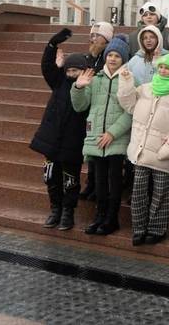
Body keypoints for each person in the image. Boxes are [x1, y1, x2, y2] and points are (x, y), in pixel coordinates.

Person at [118, 50, 169, 246]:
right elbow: (128, 104)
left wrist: (167, 151)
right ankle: (139, 229)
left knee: (161, 194)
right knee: (139, 192)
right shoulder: (146, 88)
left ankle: (157, 230)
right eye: (162, 67)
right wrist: (125, 82)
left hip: (163, 154)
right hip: (141, 151)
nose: (164, 71)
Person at [71, 35, 133, 236]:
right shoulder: (95, 78)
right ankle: (99, 216)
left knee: (114, 182)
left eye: (117, 56)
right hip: (96, 137)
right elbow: (80, 106)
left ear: (123, 58)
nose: (113, 59)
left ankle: (111, 219)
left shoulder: (129, 78)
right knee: (99, 181)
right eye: (110, 55)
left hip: (115, 138)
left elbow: (131, 111)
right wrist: (78, 87)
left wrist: (112, 133)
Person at [30, 28, 88, 232]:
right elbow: (47, 67)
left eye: (76, 71)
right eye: (69, 70)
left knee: (71, 180)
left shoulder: (86, 88)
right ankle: (55, 209)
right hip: (51, 139)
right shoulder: (59, 82)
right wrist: (52, 45)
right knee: (50, 177)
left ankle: (67, 212)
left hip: (72, 142)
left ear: (84, 71)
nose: (72, 74)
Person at [79, 21, 115, 200]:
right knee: (91, 149)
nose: (92, 39)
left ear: (106, 40)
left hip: (105, 110)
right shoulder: (87, 57)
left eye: (96, 36)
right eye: (91, 35)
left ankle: (98, 185)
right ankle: (90, 183)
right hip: (90, 109)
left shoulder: (109, 58)